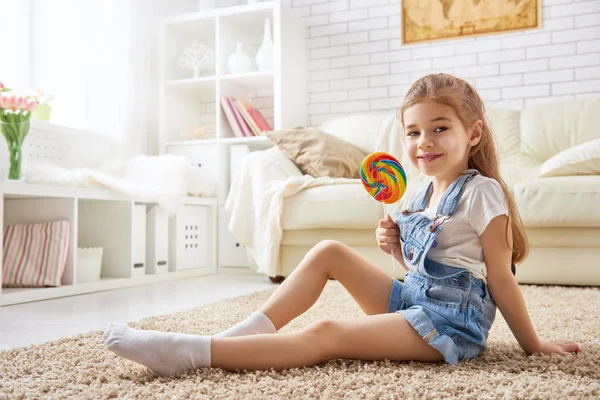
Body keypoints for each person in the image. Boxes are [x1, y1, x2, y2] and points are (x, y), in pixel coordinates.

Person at [103, 73, 581, 376]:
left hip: (452, 325)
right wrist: (394, 247)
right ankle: (240, 336)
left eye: (440, 128)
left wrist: (533, 345)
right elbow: (428, 264)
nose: (423, 142)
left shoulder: (482, 192)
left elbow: (498, 277)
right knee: (329, 250)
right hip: (415, 300)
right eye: (413, 132)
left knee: (328, 333)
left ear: (472, 133)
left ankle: (196, 352)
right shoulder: (419, 191)